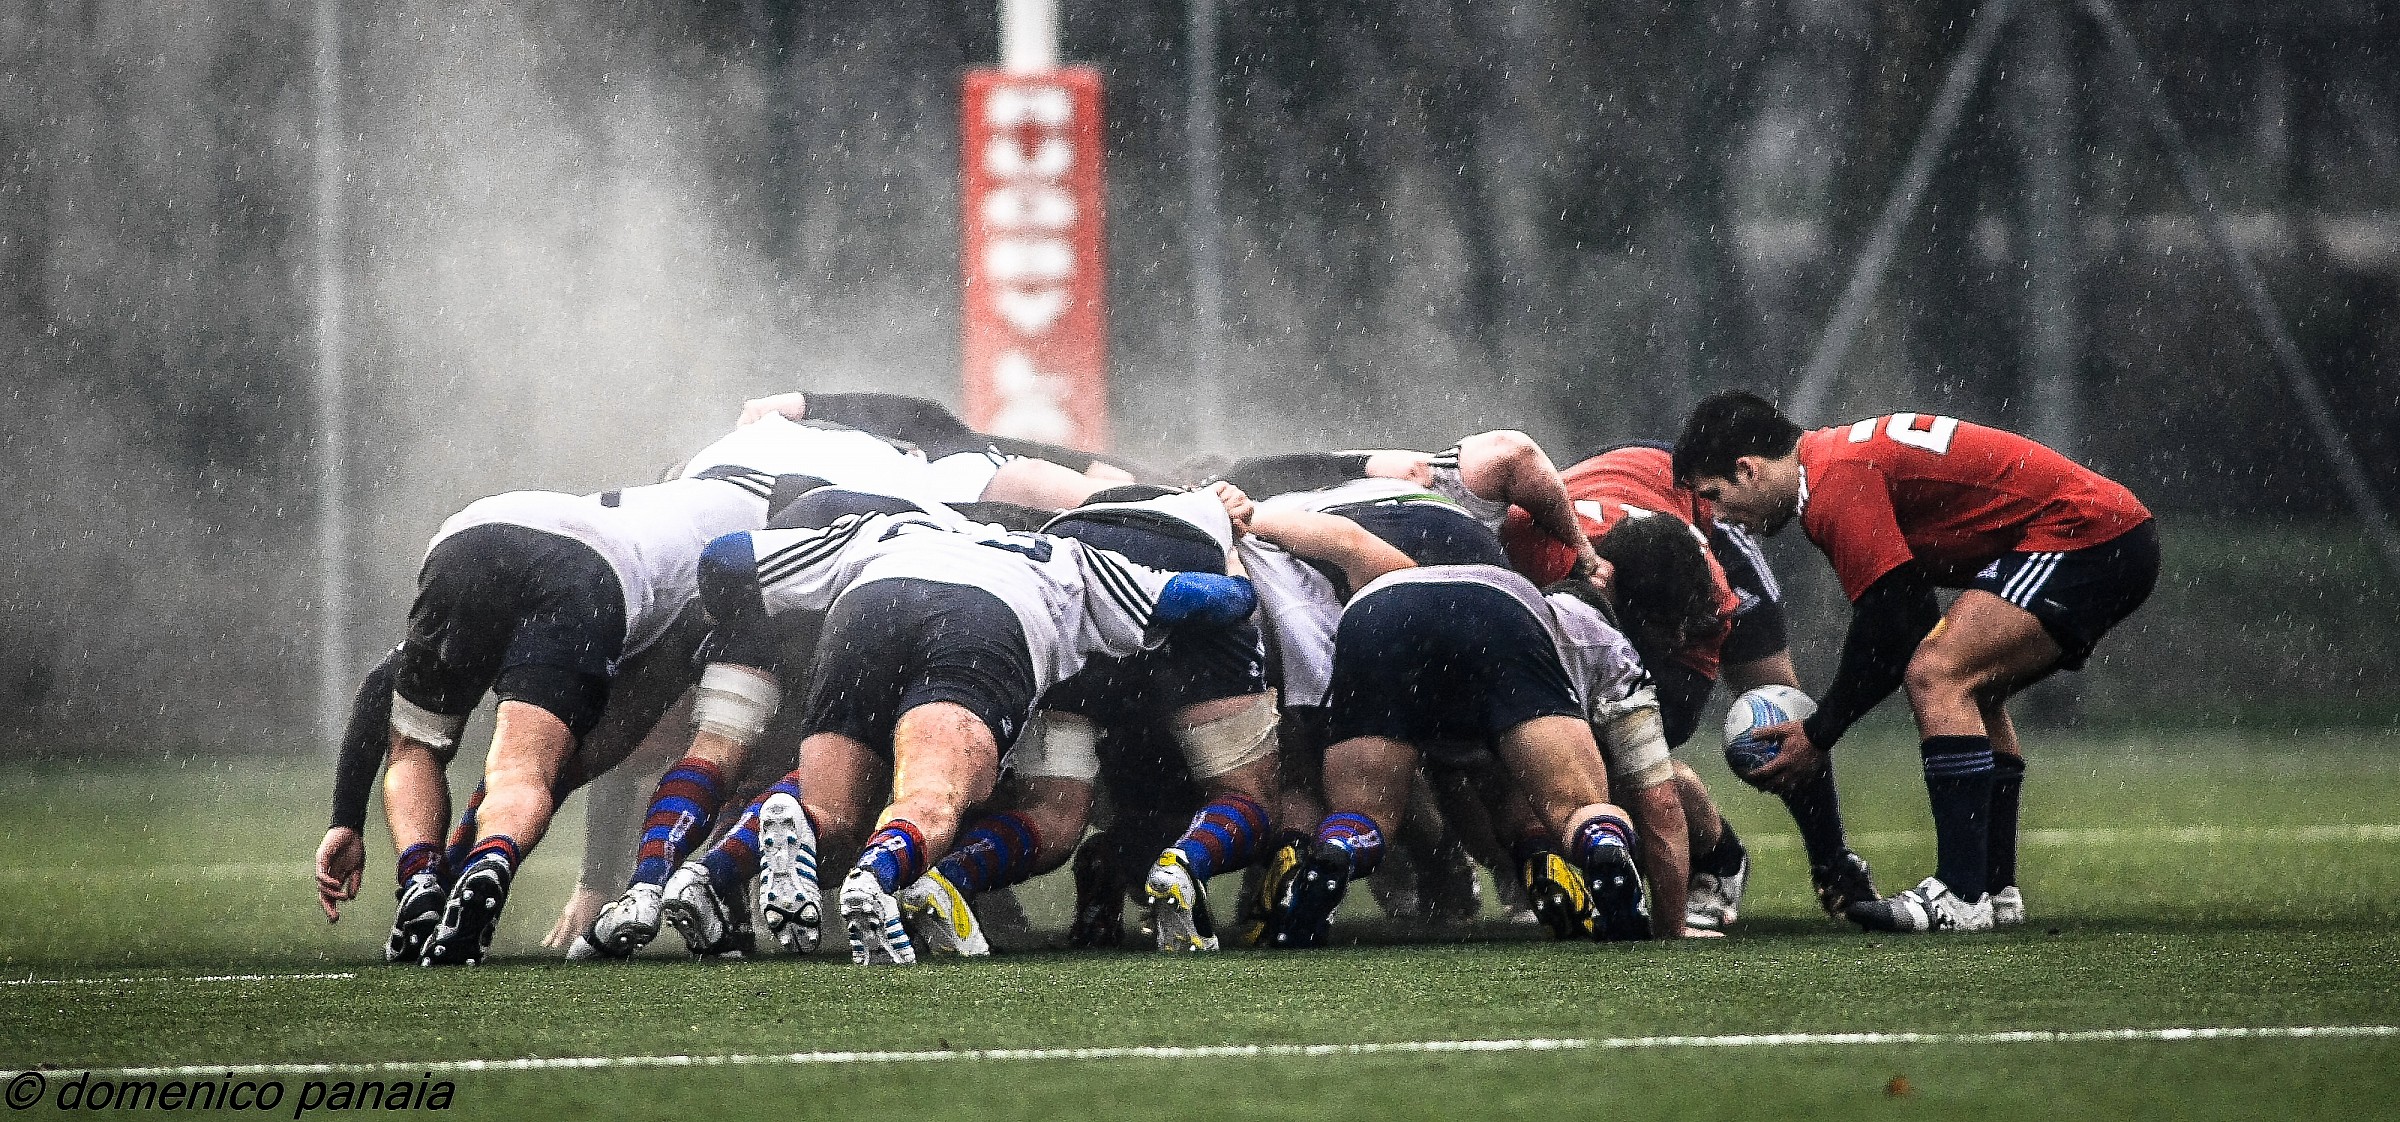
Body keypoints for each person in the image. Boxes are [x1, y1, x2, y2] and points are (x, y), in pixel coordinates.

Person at [664, 492, 1259, 964]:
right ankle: (876, 880)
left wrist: (756, 636)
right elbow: (1217, 600)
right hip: (983, 621)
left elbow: (725, 557)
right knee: (932, 798)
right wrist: (1233, 558)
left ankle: (753, 848)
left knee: (834, 816)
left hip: (866, 611)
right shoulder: (1069, 558)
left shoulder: (888, 528)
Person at [1673, 392, 2157, 933]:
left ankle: (1961, 894)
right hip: (2108, 531)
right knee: (1970, 686)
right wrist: (1825, 726)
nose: (1719, 516)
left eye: (1714, 496)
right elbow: (1908, 615)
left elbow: (1891, 620)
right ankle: (1993, 886)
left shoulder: (1834, 482)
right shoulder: (1833, 464)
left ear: (1748, 469)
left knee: (1938, 673)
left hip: (2088, 534)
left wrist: (1818, 732)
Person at [889, 485, 1288, 956]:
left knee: (1053, 814)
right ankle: (1182, 864)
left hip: (1077, 569)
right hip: (1187, 562)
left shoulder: (1079, 510)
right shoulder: (1219, 507)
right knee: (1247, 796)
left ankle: (949, 877)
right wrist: (1234, 561)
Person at [1498, 441, 1881, 926]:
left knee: (1778, 709)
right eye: (1668, 631)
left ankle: (1823, 860)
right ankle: (1514, 865)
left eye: (1681, 631)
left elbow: (1658, 742)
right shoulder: (1528, 551)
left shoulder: (1712, 596)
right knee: (1522, 745)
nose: (1680, 639)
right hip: (1606, 520)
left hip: (1689, 519)